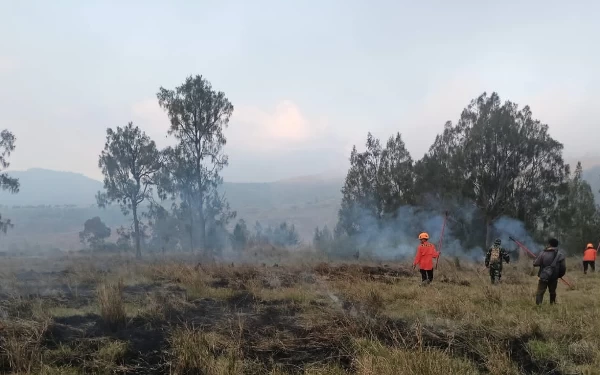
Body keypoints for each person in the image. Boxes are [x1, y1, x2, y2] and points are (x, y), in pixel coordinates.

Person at [533, 238, 566, 305]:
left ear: (549, 244)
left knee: (540, 291)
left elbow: (535, 264)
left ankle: (538, 305)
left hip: (544, 276)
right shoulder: (560, 255)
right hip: (554, 276)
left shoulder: (542, 253)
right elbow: (563, 268)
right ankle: (552, 304)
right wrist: (559, 275)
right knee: (552, 291)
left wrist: (537, 259)